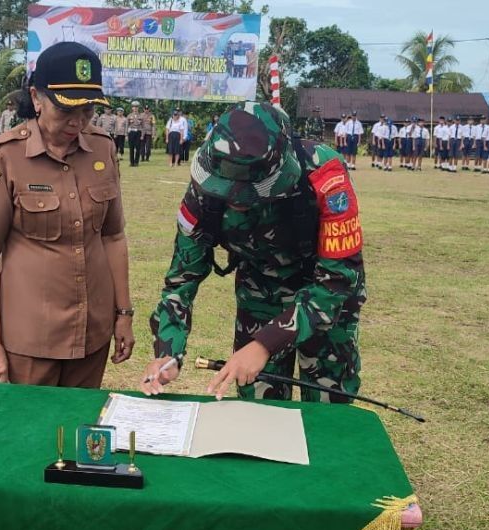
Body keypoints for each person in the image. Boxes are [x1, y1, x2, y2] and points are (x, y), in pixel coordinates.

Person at [140, 102, 365, 403]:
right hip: (260, 294)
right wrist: (168, 352)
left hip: (323, 297)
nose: (235, 201)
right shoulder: (204, 189)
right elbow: (181, 281)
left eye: (248, 193)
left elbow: (337, 280)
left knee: (328, 406)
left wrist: (264, 345)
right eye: (227, 191)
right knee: (258, 407)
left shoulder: (324, 173)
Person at [0, 41, 134, 387]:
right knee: (29, 436)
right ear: (37, 98)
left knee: (81, 432)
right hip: (31, 340)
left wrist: (124, 314)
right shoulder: (4, 156)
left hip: (92, 334)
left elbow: (113, 237)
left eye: (87, 110)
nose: (78, 121)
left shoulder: (103, 148)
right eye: (66, 109)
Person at [126, 101, 144, 167]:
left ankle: (136, 162)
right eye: (134, 107)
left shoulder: (141, 116)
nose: (135, 108)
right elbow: (127, 126)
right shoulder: (129, 115)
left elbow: (143, 126)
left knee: (138, 148)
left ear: (138, 108)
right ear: (132, 108)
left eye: (136, 107)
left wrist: (142, 135)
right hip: (131, 132)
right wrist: (126, 135)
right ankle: (131, 162)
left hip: (138, 132)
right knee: (131, 148)